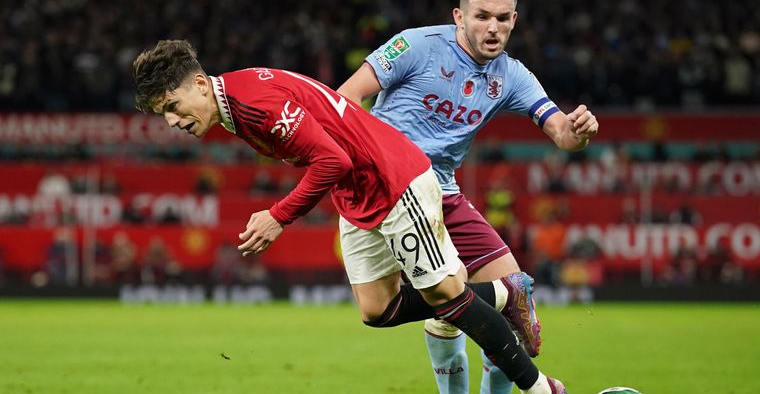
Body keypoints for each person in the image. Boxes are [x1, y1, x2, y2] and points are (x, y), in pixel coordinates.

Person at [133, 39, 566, 393]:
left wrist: (278, 216)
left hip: (392, 181)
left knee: (449, 299)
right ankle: (504, 293)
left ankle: (543, 389)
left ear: (198, 84)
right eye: (162, 114)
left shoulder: (253, 102)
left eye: (172, 105)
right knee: (377, 309)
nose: (171, 121)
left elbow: (332, 160)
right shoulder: (235, 99)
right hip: (355, 193)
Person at [338, 0, 598, 393]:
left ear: (514, 20)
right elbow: (347, 95)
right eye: (481, 16)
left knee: (511, 306)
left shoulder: (511, 75)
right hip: (385, 187)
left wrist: (578, 132)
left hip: (443, 192)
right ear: (459, 16)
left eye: (502, 18)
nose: (492, 27)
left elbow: (561, 134)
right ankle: (494, 299)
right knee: (391, 309)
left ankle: (495, 306)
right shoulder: (416, 45)